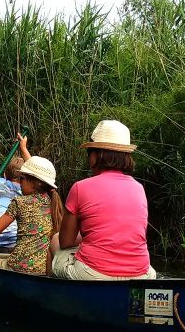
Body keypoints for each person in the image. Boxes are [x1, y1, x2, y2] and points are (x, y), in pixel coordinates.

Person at [52, 119, 157, 281]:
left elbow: (65, 241)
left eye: (90, 153)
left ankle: (49, 294)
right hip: (142, 275)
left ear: (96, 155)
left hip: (93, 273)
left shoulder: (80, 187)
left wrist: (87, 236)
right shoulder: (139, 188)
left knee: (55, 241)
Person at [0, 155, 63, 275]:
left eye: (22, 178)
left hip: (18, 268)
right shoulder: (53, 202)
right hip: (43, 269)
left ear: (33, 182)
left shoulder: (19, 202)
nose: (20, 182)